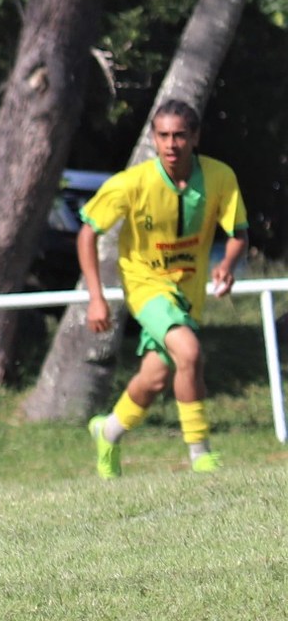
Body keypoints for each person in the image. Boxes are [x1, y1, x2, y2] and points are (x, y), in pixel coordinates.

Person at [80, 100, 247, 478]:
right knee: (189, 353)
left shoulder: (220, 177)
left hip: (189, 293)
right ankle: (200, 454)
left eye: (180, 135)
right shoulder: (131, 183)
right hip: (145, 285)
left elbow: (239, 233)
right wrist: (96, 298)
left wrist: (227, 265)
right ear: (154, 139)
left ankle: (107, 432)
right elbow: (88, 232)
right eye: (163, 135)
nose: (171, 144)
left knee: (154, 378)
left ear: (195, 137)